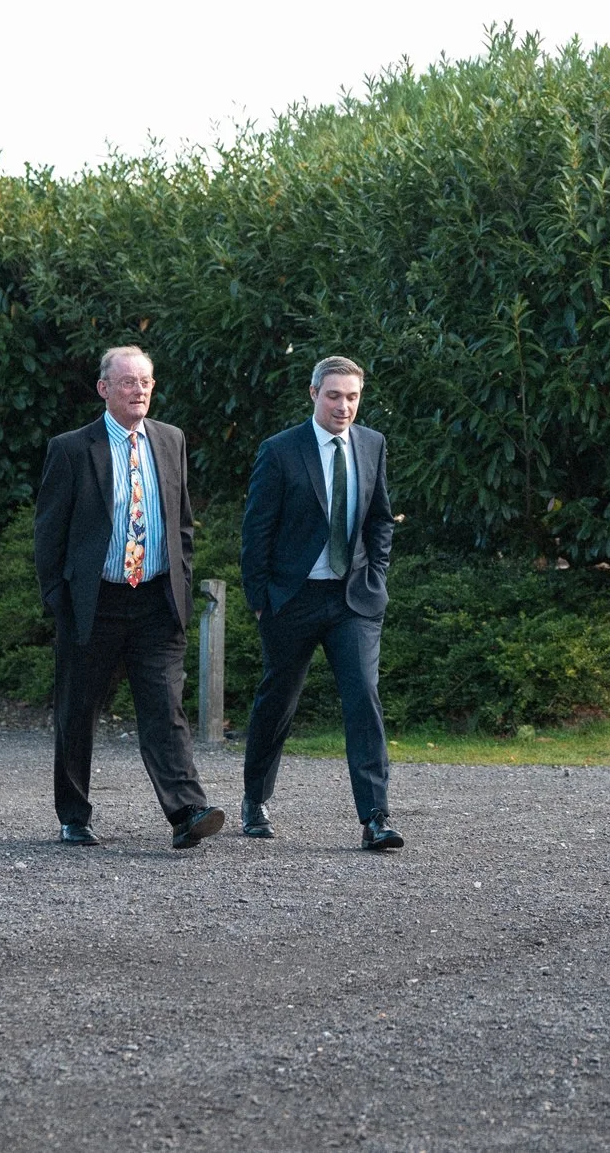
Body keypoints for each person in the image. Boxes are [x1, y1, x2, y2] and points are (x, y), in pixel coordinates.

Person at [33, 346, 224, 849]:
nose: (138, 391)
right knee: (78, 711)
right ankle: (74, 815)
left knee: (165, 708)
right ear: (104, 389)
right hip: (95, 603)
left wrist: (181, 585)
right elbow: (49, 531)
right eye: (127, 383)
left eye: (146, 382)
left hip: (156, 601)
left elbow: (180, 522)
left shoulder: (170, 439)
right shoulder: (73, 449)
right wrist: (58, 597)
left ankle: (187, 812)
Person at [237, 354, 400, 851]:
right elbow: (256, 532)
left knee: (363, 700)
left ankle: (375, 817)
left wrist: (376, 575)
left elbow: (380, 518)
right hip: (292, 599)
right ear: (313, 394)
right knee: (278, 701)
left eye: (352, 397)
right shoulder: (281, 451)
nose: (343, 406)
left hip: (353, 598)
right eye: (334, 395)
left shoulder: (372, 445)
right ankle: (255, 799)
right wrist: (262, 600)